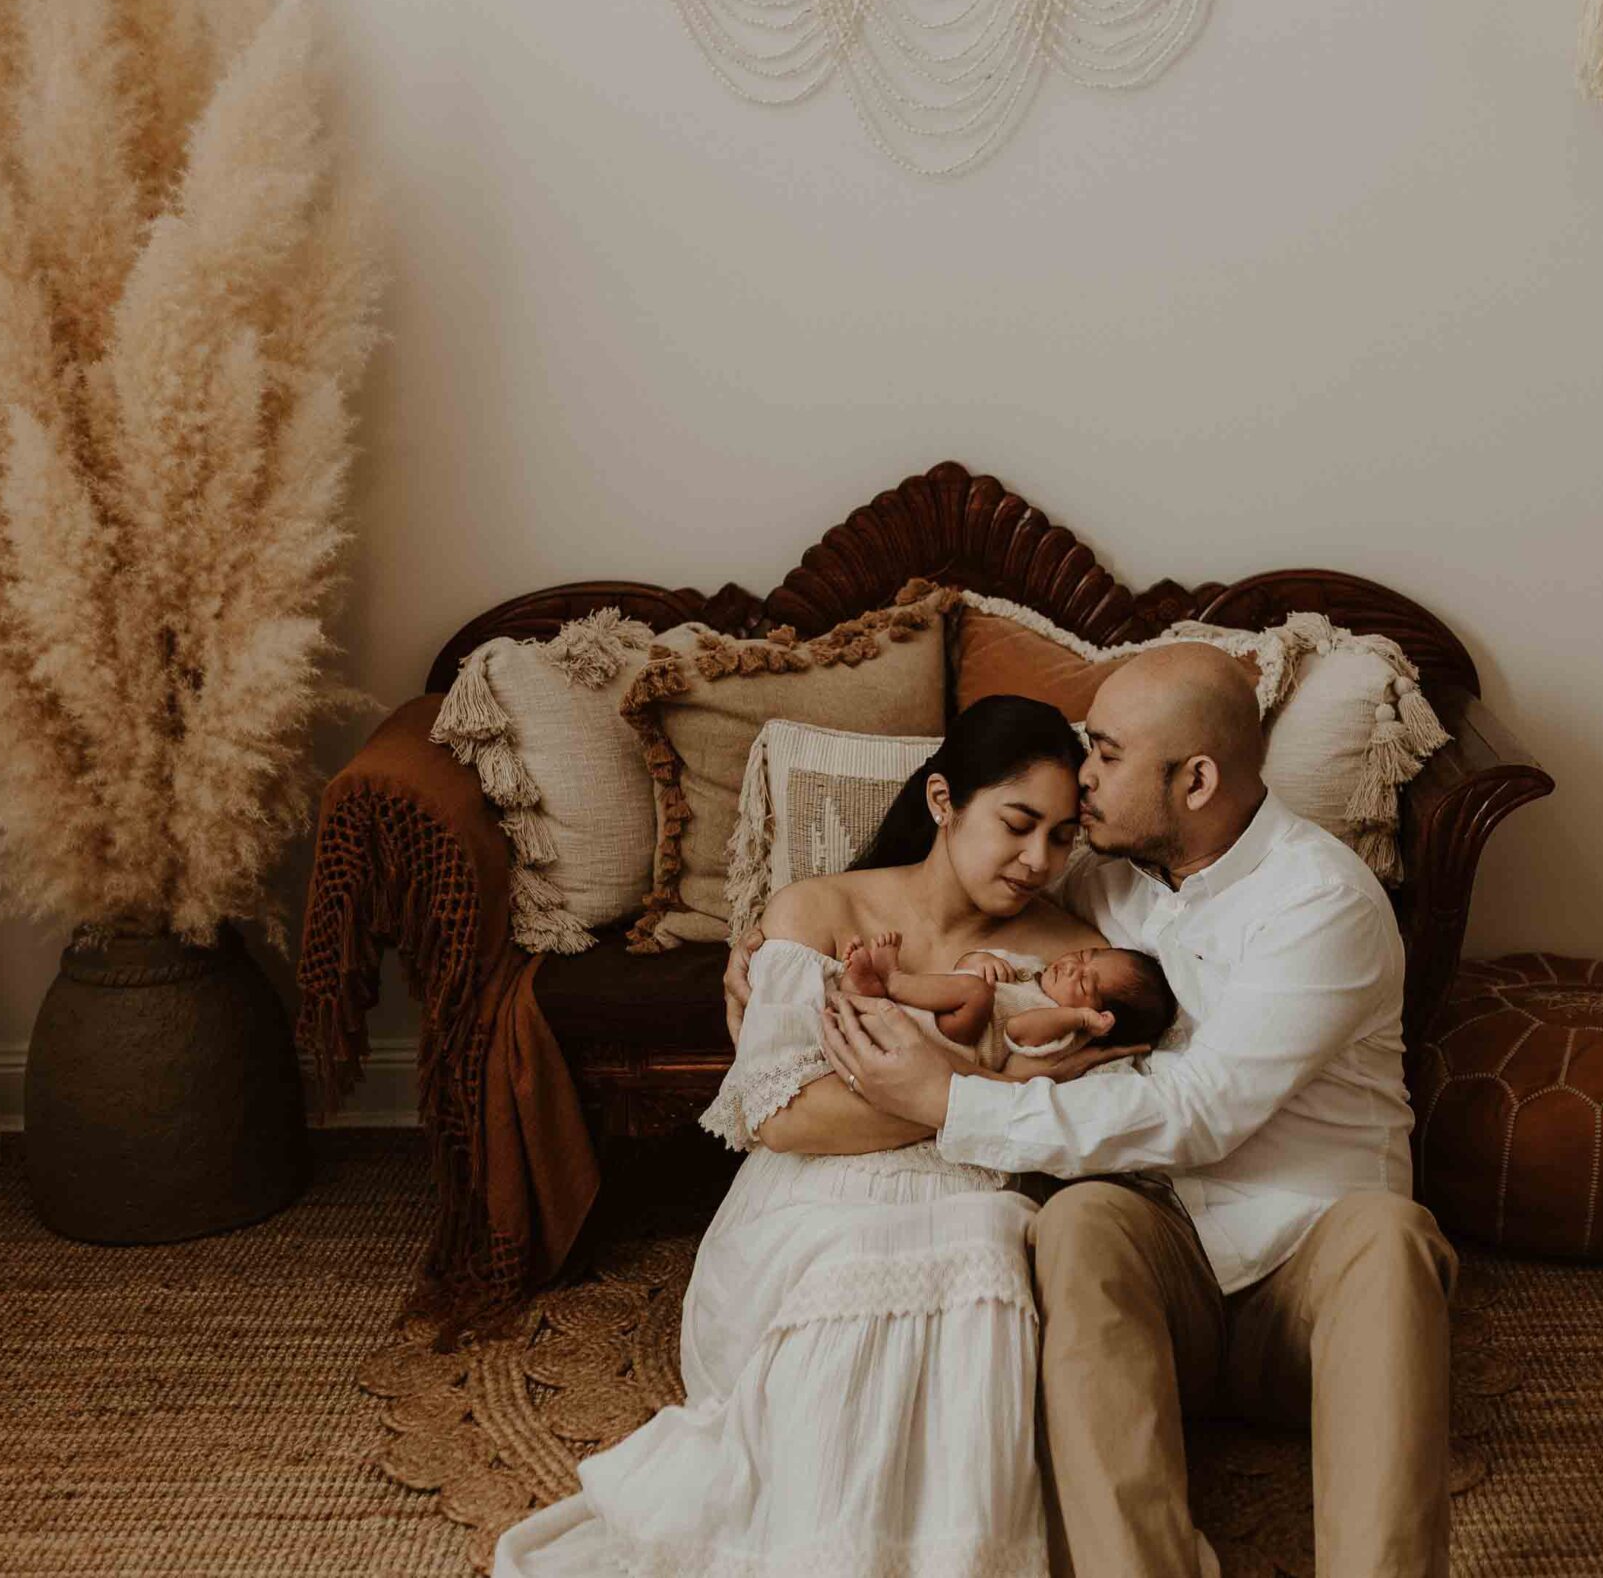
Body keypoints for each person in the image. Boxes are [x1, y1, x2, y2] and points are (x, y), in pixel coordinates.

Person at [815, 644, 1462, 1577]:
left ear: (1195, 780)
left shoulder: (1323, 903)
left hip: (1307, 1282)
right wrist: (778, 937)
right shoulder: (1102, 874)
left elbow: (1199, 1111)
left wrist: (950, 1101)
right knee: (1078, 1219)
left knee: (1393, 1236)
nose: (1084, 779)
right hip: (1165, 1278)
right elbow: (951, 894)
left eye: (1109, 755)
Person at [492, 696, 1135, 1578]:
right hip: (809, 1198)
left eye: (1064, 838)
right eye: (1018, 824)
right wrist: (989, 1090)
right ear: (944, 801)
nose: (1038, 861)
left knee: (983, 1249)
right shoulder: (819, 912)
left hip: (974, 1191)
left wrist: (911, 1087)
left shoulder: (1074, 952)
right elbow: (783, 1117)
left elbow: (1090, 1108)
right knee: (854, 1272)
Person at [836, 928, 1180, 1065]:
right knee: (971, 982)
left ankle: (894, 980)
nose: (1074, 967)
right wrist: (979, 960)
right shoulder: (1032, 969)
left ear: (1099, 1019)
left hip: (963, 1042)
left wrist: (1077, 1020)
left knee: (976, 991)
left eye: (1087, 984)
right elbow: (962, 967)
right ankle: (870, 990)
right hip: (935, 1011)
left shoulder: (1066, 1030)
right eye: (1085, 955)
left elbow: (1018, 1031)